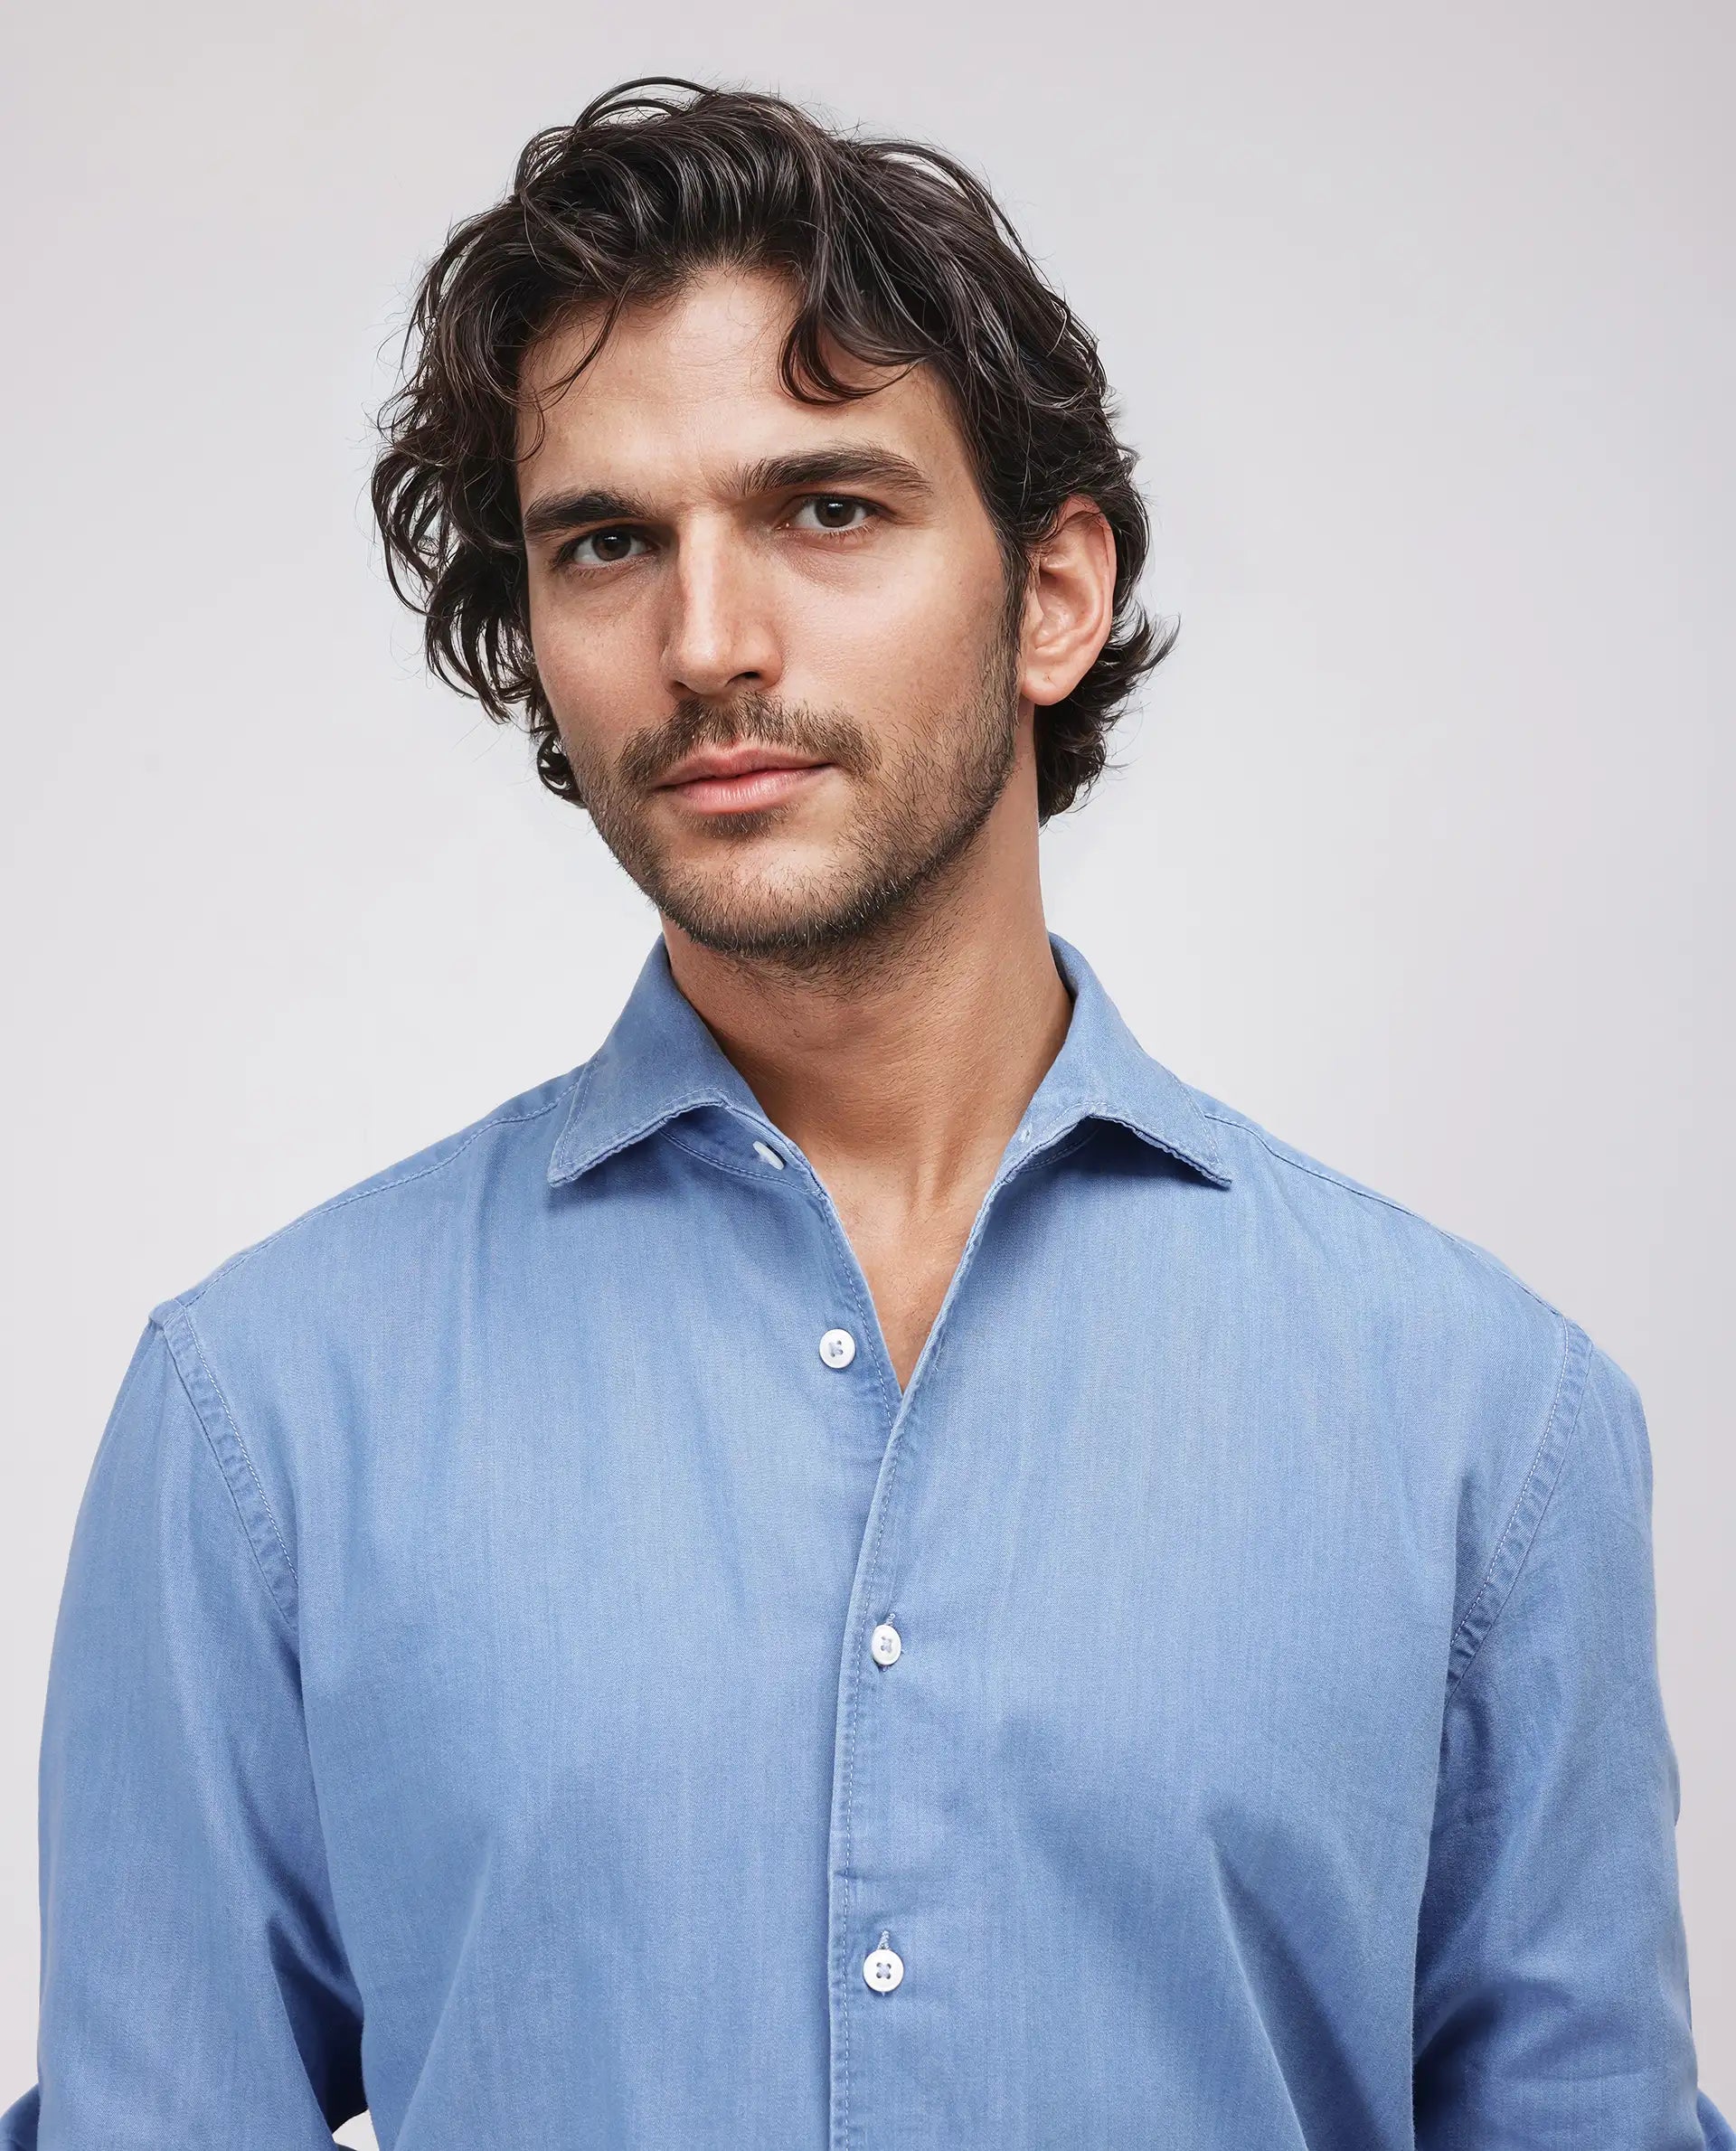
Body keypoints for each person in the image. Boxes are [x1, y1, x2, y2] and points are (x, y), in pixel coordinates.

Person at [4, 75, 1727, 2150]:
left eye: (826, 509)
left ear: (1054, 593)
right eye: (607, 542)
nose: (707, 642)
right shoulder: (261, 1420)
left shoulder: (1485, 1426)